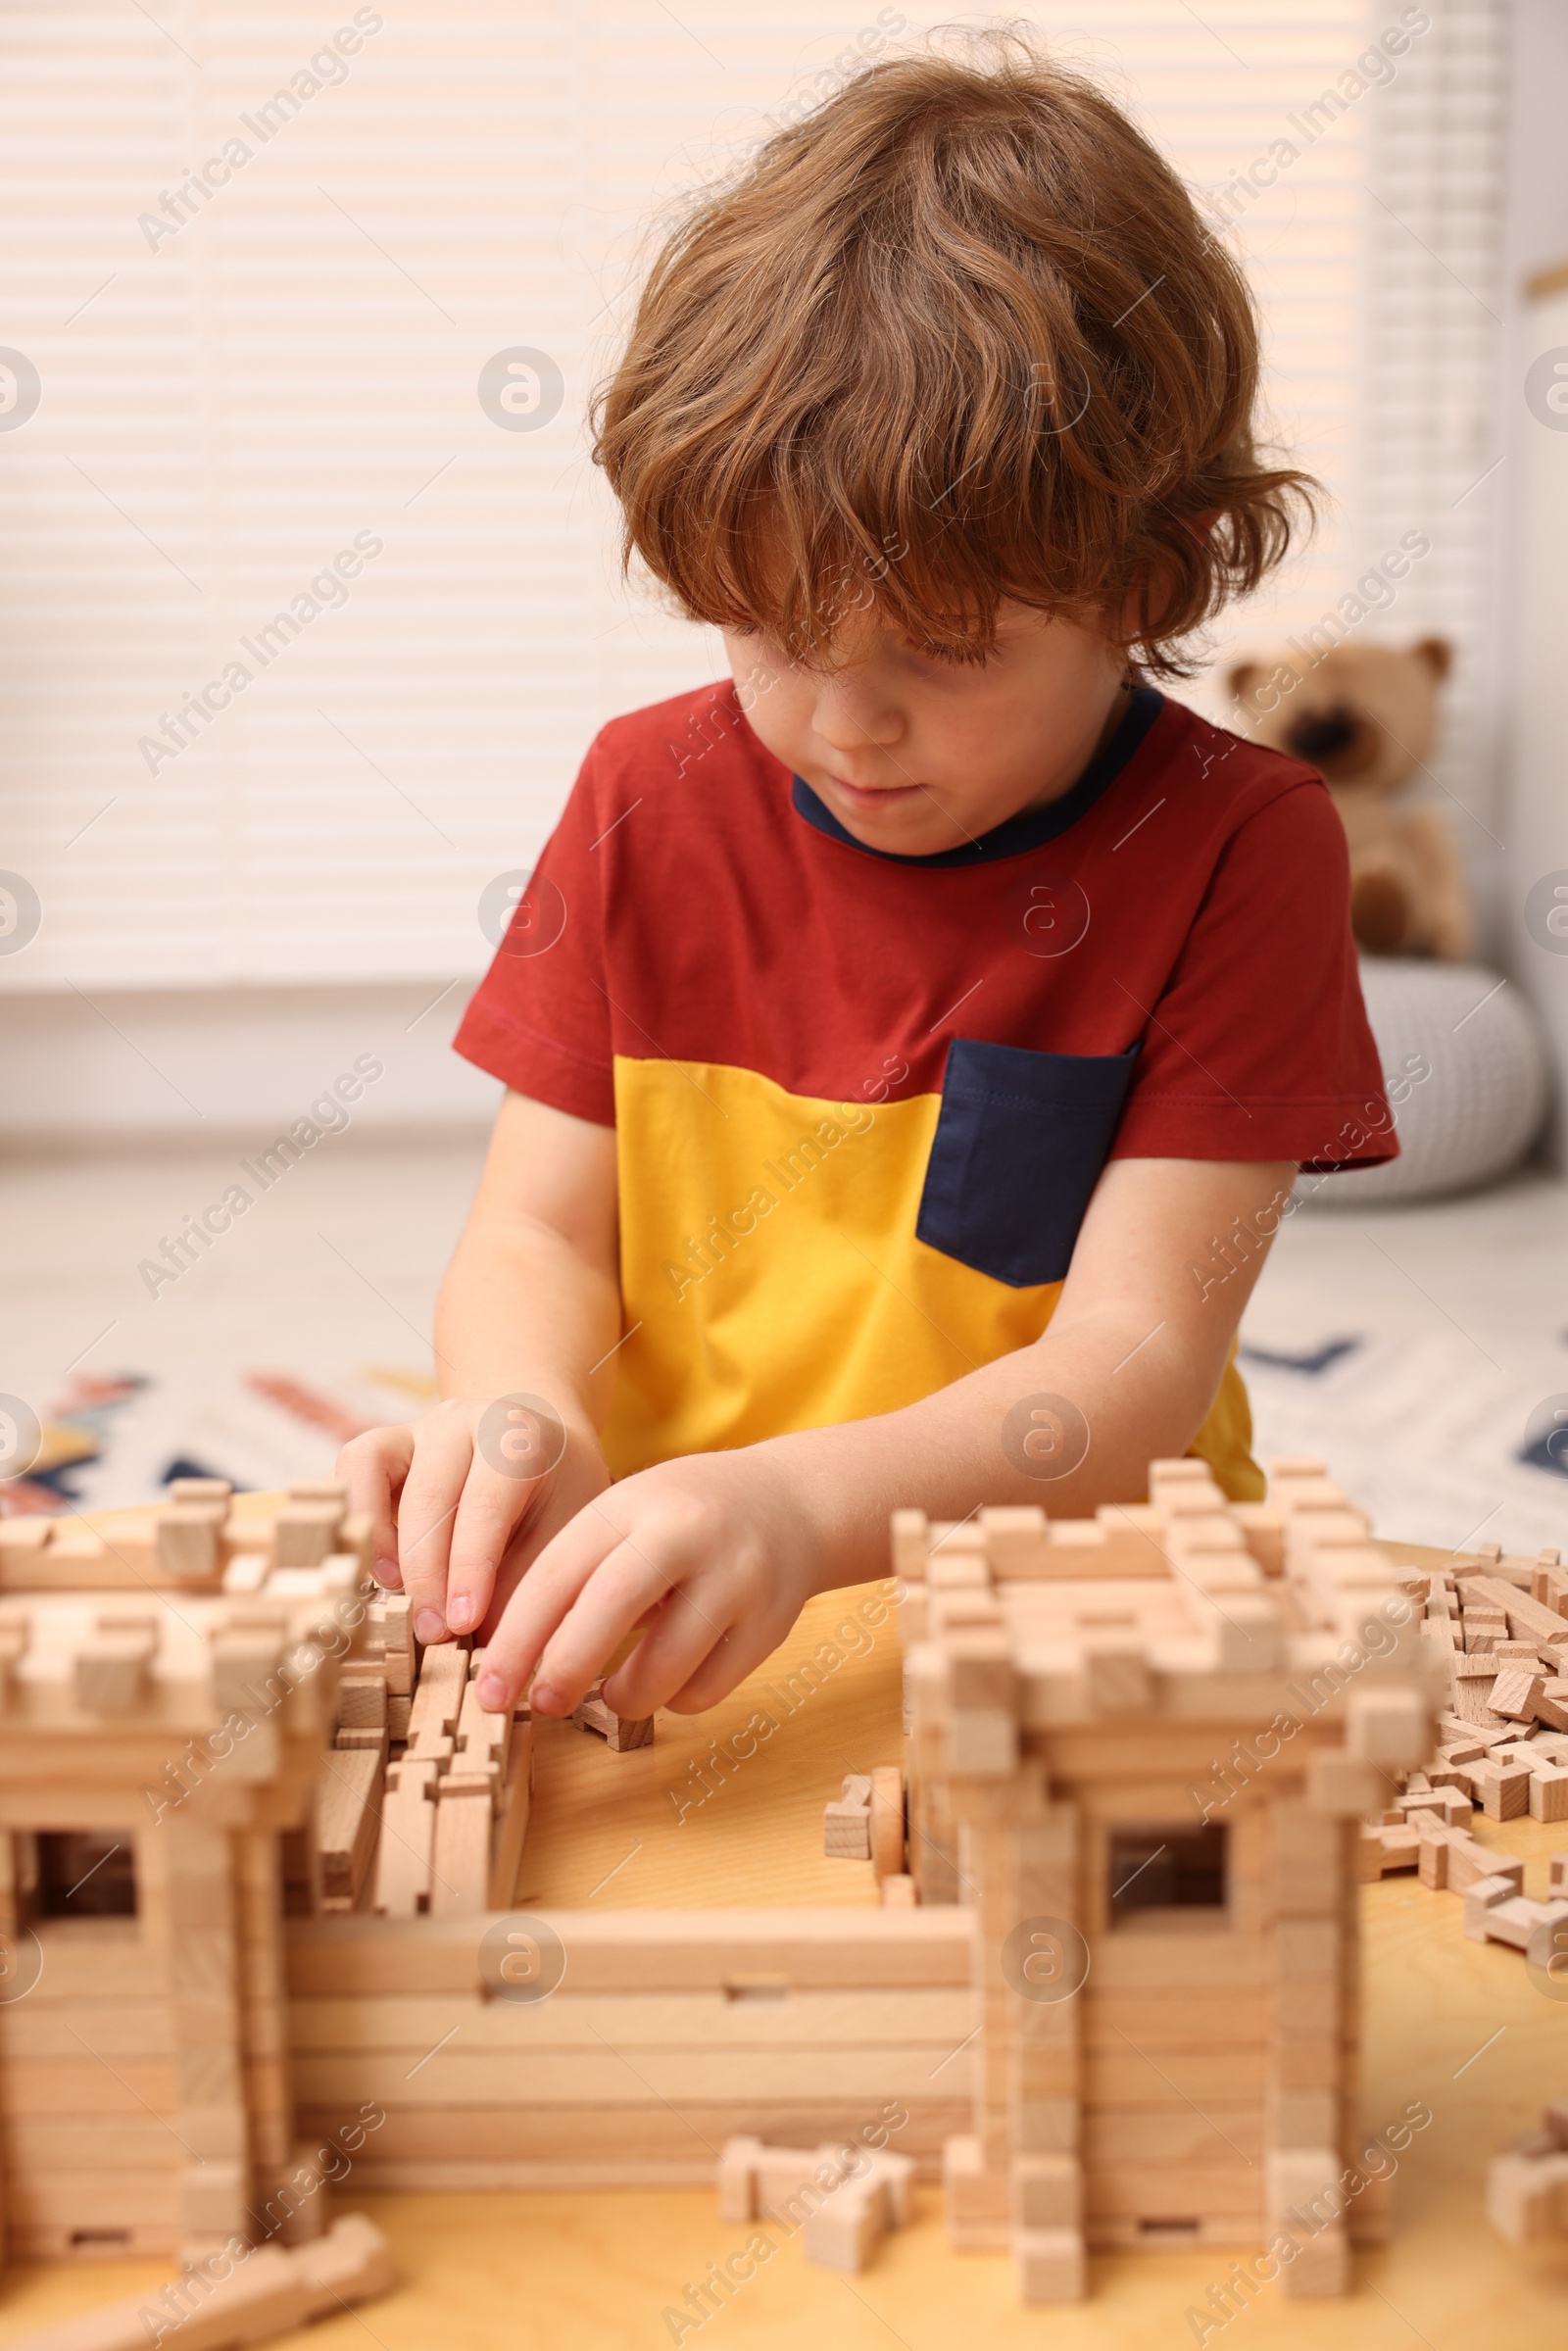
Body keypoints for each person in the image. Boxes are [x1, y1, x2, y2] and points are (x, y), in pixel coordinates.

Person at [338, 33, 1393, 1731]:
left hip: (1078, 1611)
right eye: (769, 633)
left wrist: (796, 1506)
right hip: (694, 1607)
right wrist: (522, 1413)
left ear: (1147, 577)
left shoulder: (1240, 846)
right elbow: (535, 1228)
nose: (844, 725)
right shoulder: (644, 791)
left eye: (947, 649)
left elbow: (1127, 1371)